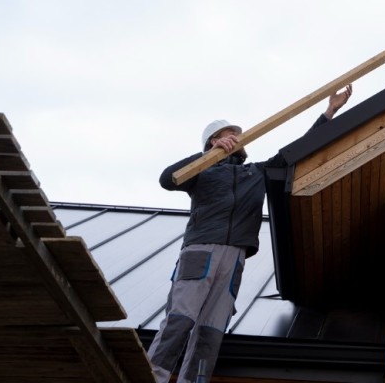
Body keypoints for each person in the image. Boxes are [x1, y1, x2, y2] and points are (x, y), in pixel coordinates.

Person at [147, 84, 353, 383]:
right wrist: (207, 156)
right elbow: (167, 179)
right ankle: (154, 374)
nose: (236, 138)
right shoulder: (201, 173)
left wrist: (329, 112)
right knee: (181, 318)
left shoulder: (255, 172)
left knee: (211, 330)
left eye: (237, 134)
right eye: (227, 134)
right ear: (213, 142)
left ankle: (194, 381)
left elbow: (296, 151)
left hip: (235, 259)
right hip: (201, 251)